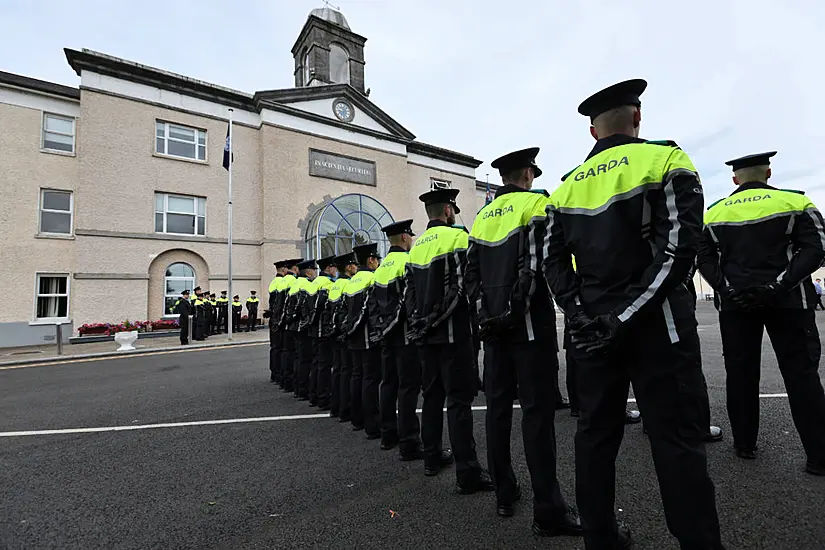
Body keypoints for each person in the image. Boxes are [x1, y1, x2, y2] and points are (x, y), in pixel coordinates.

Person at [542, 79, 722, 549]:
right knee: (675, 441)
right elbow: (680, 250)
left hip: (591, 332)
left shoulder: (564, 189)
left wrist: (580, 316)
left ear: (592, 132)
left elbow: (553, 264)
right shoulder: (664, 159)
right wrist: (624, 316)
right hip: (654, 325)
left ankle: (600, 539)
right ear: (637, 118)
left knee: (594, 437)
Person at [466, 147, 581, 535]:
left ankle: (504, 492)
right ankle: (548, 509)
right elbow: (533, 266)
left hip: (493, 331)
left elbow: (471, 276)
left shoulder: (482, 217)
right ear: (529, 173)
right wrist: (512, 314)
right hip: (527, 326)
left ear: (503, 178)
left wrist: (486, 315)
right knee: (537, 414)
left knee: (497, 411)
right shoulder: (536, 205)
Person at [697, 151, 825, 474]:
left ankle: (744, 444)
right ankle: (819, 456)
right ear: (768, 172)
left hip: (735, 306)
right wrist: (777, 286)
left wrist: (727, 290)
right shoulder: (796, 204)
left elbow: (704, 258)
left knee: (740, 374)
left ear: (734, 179)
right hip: (790, 303)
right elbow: (816, 248)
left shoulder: (714, 214)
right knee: (801, 376)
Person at [405, 187, 492, 492]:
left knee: (431, 397)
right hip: (452, 335)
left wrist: (419, 324)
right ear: (447, 211)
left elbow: (409, 296)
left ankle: (431, 458)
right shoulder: (458, 238)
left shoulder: (414, 249)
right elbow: (460, 288)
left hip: (425, 337)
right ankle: (467, 472)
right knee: (459, 402)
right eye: (453, 208)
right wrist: (435, 321)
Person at [368, 219, 424, 458]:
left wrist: (380, 329)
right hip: (404, 335)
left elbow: (372, 305)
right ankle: (409, 442)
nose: (411, 240)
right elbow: (411, 300)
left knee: (387, 384)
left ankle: (388, 434)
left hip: (385, 336)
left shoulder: (380, 269)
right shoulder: (407, 261)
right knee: (408, 388)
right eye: (409, 236)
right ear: (404, 237)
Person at [343, 243, 382, 439]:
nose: (378, 263)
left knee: (357, 376)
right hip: (367, 334)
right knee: (370, 379)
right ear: (371, 260)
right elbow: (371, 309)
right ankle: (372, 424)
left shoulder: (351, 281)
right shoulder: (372, 278)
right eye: (377, 259)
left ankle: (357, 419)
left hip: (353, 336)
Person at [326, 252, 357, 420]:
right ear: (348, 267)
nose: (356, 267)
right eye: (354, 265)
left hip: (334, 333)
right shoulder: (348, 284)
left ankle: (336, 407)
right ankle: (346, 409)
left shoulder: (335, 285)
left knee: (338, 370)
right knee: (348, 371)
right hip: (344, 333)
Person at [308, 255, 337, 410]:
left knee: (317, 363)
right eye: (334, 267)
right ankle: (323, 398)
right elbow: (322, 307)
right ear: (329, 268)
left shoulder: (314, 283)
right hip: (322, 329)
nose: (335, 270)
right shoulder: (327, 283)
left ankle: (314, 395)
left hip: (313, 329)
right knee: (325, 365)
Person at [287, 262, 313, 399]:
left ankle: (298, 387)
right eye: (313, 269)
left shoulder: (295, 284)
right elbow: (302, 307)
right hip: (302, 327)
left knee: (298, 358)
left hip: (294, 327)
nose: (315, 271)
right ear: (308, 271)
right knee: (305, 359)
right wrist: (305, 321)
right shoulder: (307, 285)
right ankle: (303, 389)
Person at [277, 259, 302, 392]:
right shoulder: (294, 282)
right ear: (296, 268)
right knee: (293, 354)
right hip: (291, 322)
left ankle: (284, 380)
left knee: (285, 352)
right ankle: (291, 382)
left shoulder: (281, 281)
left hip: (281, 321)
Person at [264, 261, 288, 384]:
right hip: (278, 319)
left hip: (273, 319)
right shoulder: (282, 282)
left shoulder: (274, 281)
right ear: (283, 270)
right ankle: (280, 373)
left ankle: (274, 373)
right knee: (281, 348)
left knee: (274, 348)